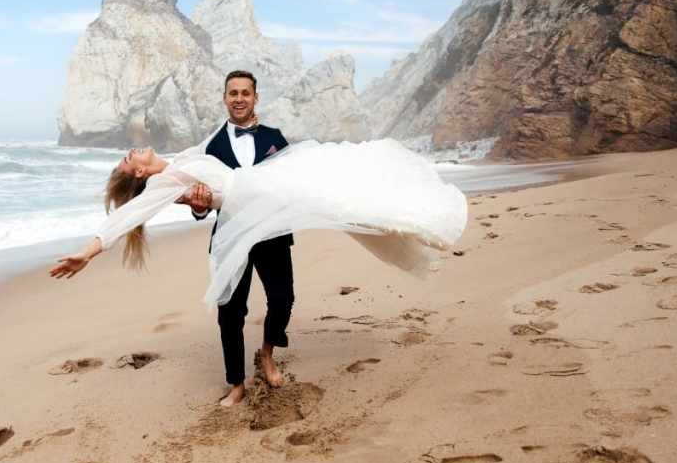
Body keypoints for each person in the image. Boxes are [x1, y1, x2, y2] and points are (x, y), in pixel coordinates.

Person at [49, 107, 470, 408]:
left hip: (265, 196)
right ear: (140, 173)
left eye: (130, 153)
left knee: (338, 195)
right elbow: (127, 216)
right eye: (130, 159)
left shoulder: (187, 156)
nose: (133, 152)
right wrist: (88, 253)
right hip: (239, 220)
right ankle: (236, 385)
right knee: (229, 309)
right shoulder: (162, 183)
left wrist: (202, 197)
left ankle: (400, 220)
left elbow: (217, 154)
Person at [184, 70, 294, 407]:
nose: (239, 99)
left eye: (246, 93)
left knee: (282, 299)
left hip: (271, 232)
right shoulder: (210, 147)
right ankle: (236, 383)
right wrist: (200, 207)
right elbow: (201, 202)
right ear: (225, 98)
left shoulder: (276, 138)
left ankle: (267, 353)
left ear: (256, 98)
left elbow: (294, 185)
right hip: (230, 236)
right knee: (229, 312)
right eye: (233, 93)